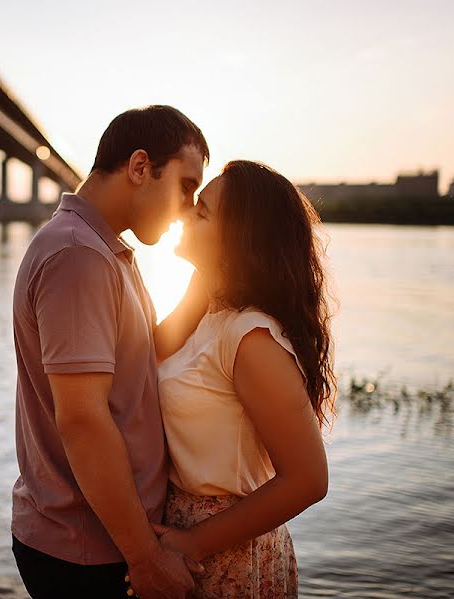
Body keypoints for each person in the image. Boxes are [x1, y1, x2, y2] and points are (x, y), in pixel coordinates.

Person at [10, 105, 211, 599]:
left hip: (99, 539)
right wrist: (145, 557)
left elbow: (142, 358)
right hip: (89, 549)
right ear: (140, 167)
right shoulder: (79, 256)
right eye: (186, 186)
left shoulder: (104, 250)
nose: (189, 207)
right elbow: (82, 420)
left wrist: (212, 279)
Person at [150, 160, 336, 598]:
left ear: (237, 240)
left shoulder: (250, 337)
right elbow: (148, 354)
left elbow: (309, 479)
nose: (182, 214)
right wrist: (206, 277)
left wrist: (195, 541)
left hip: (224, 551)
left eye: (201, 212)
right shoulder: (208, 315)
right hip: (184, 537)